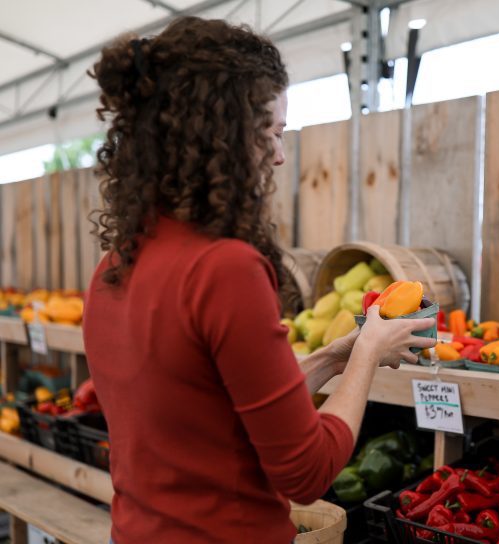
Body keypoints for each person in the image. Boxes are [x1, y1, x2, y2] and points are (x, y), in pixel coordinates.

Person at [83, 16, 435, 544]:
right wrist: (367, 358)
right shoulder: (225, 268)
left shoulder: (112, 267)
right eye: (270, 132)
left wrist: (334, 357)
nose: (279, 154)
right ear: (219, 140)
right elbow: (307, 472)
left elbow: (209, 411)